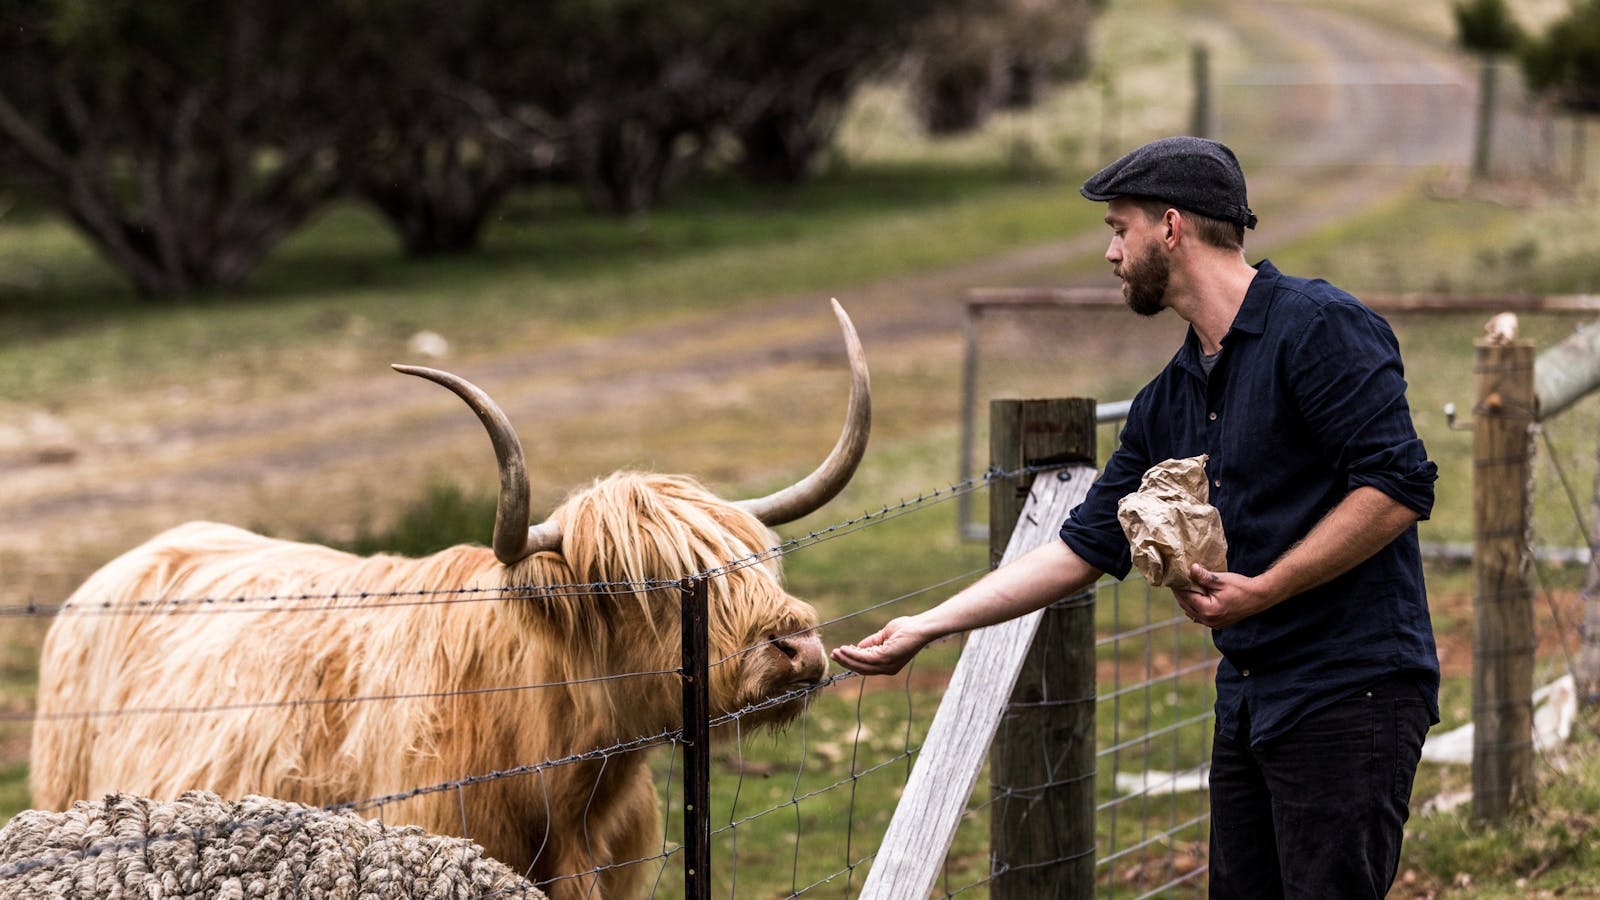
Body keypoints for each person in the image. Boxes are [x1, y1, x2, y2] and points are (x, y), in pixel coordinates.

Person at [831, 136, 1439, 899]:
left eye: (1120, 229)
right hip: (1251, 691)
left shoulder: (1319, 330)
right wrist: (929, 625)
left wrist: (1269, 587)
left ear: (1172, 227)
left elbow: (1396, 488)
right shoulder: (1172, 396)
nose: (1112, 253)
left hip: (1353, 689)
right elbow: (1080, 547)